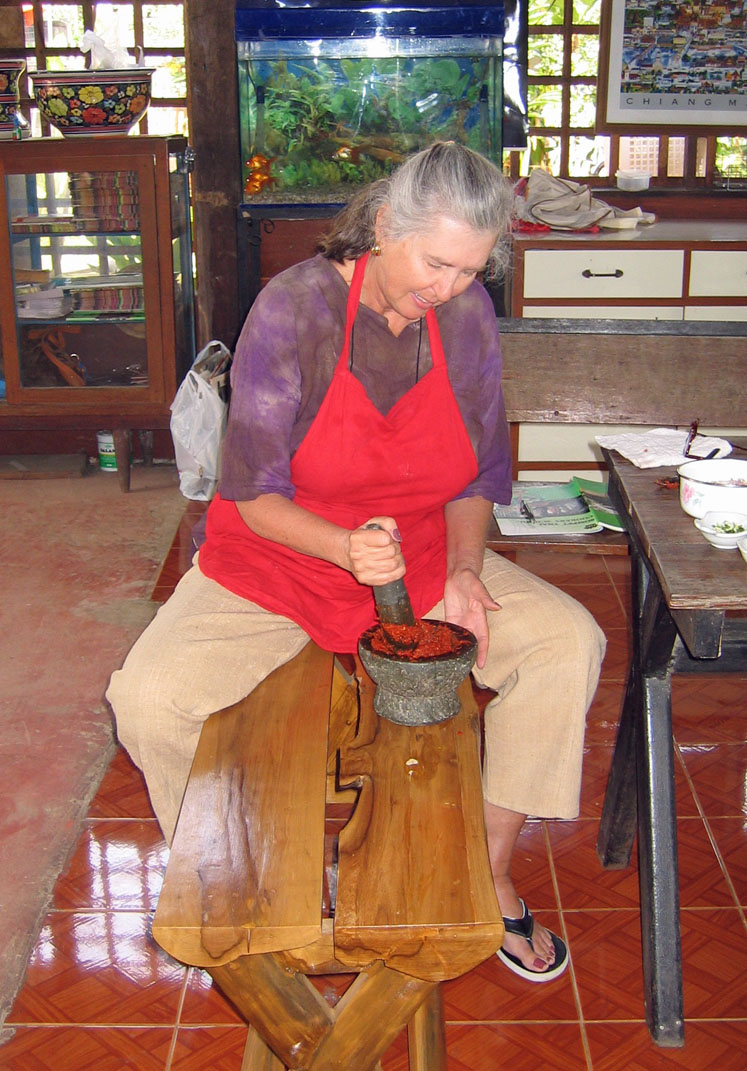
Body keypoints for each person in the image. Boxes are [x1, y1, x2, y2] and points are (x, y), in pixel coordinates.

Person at [107, 142, 606, 983]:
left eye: (469, 270)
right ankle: (227, 875)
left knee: (568, 643)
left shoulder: (465, 313)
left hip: (418, 553)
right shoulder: (292, 308)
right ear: (382, 227)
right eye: (435, 262)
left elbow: (481, 470)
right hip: (279, 556)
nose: (446, 288)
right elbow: (251, 489)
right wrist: (341, 547)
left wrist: (465, 569)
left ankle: (487, 875)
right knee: (148, 700)